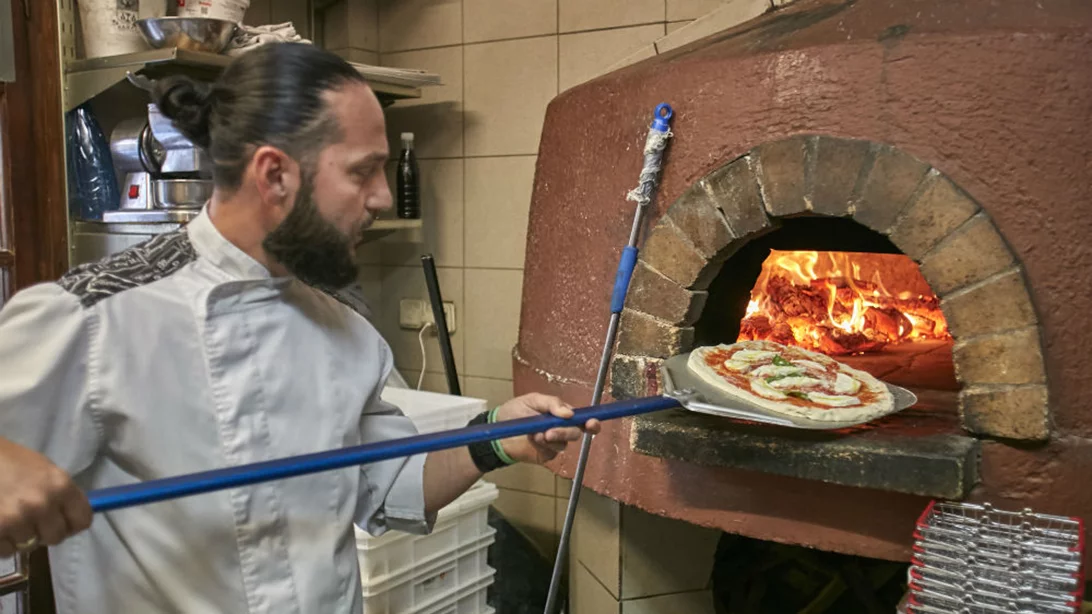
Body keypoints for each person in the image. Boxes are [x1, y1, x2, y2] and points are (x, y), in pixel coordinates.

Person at [0, 43, 598, 613]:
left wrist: (494, 439)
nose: (383, 198)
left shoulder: (347, 330)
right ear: (275, 175)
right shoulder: (94, 317)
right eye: (364, 172)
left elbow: (389, 486)